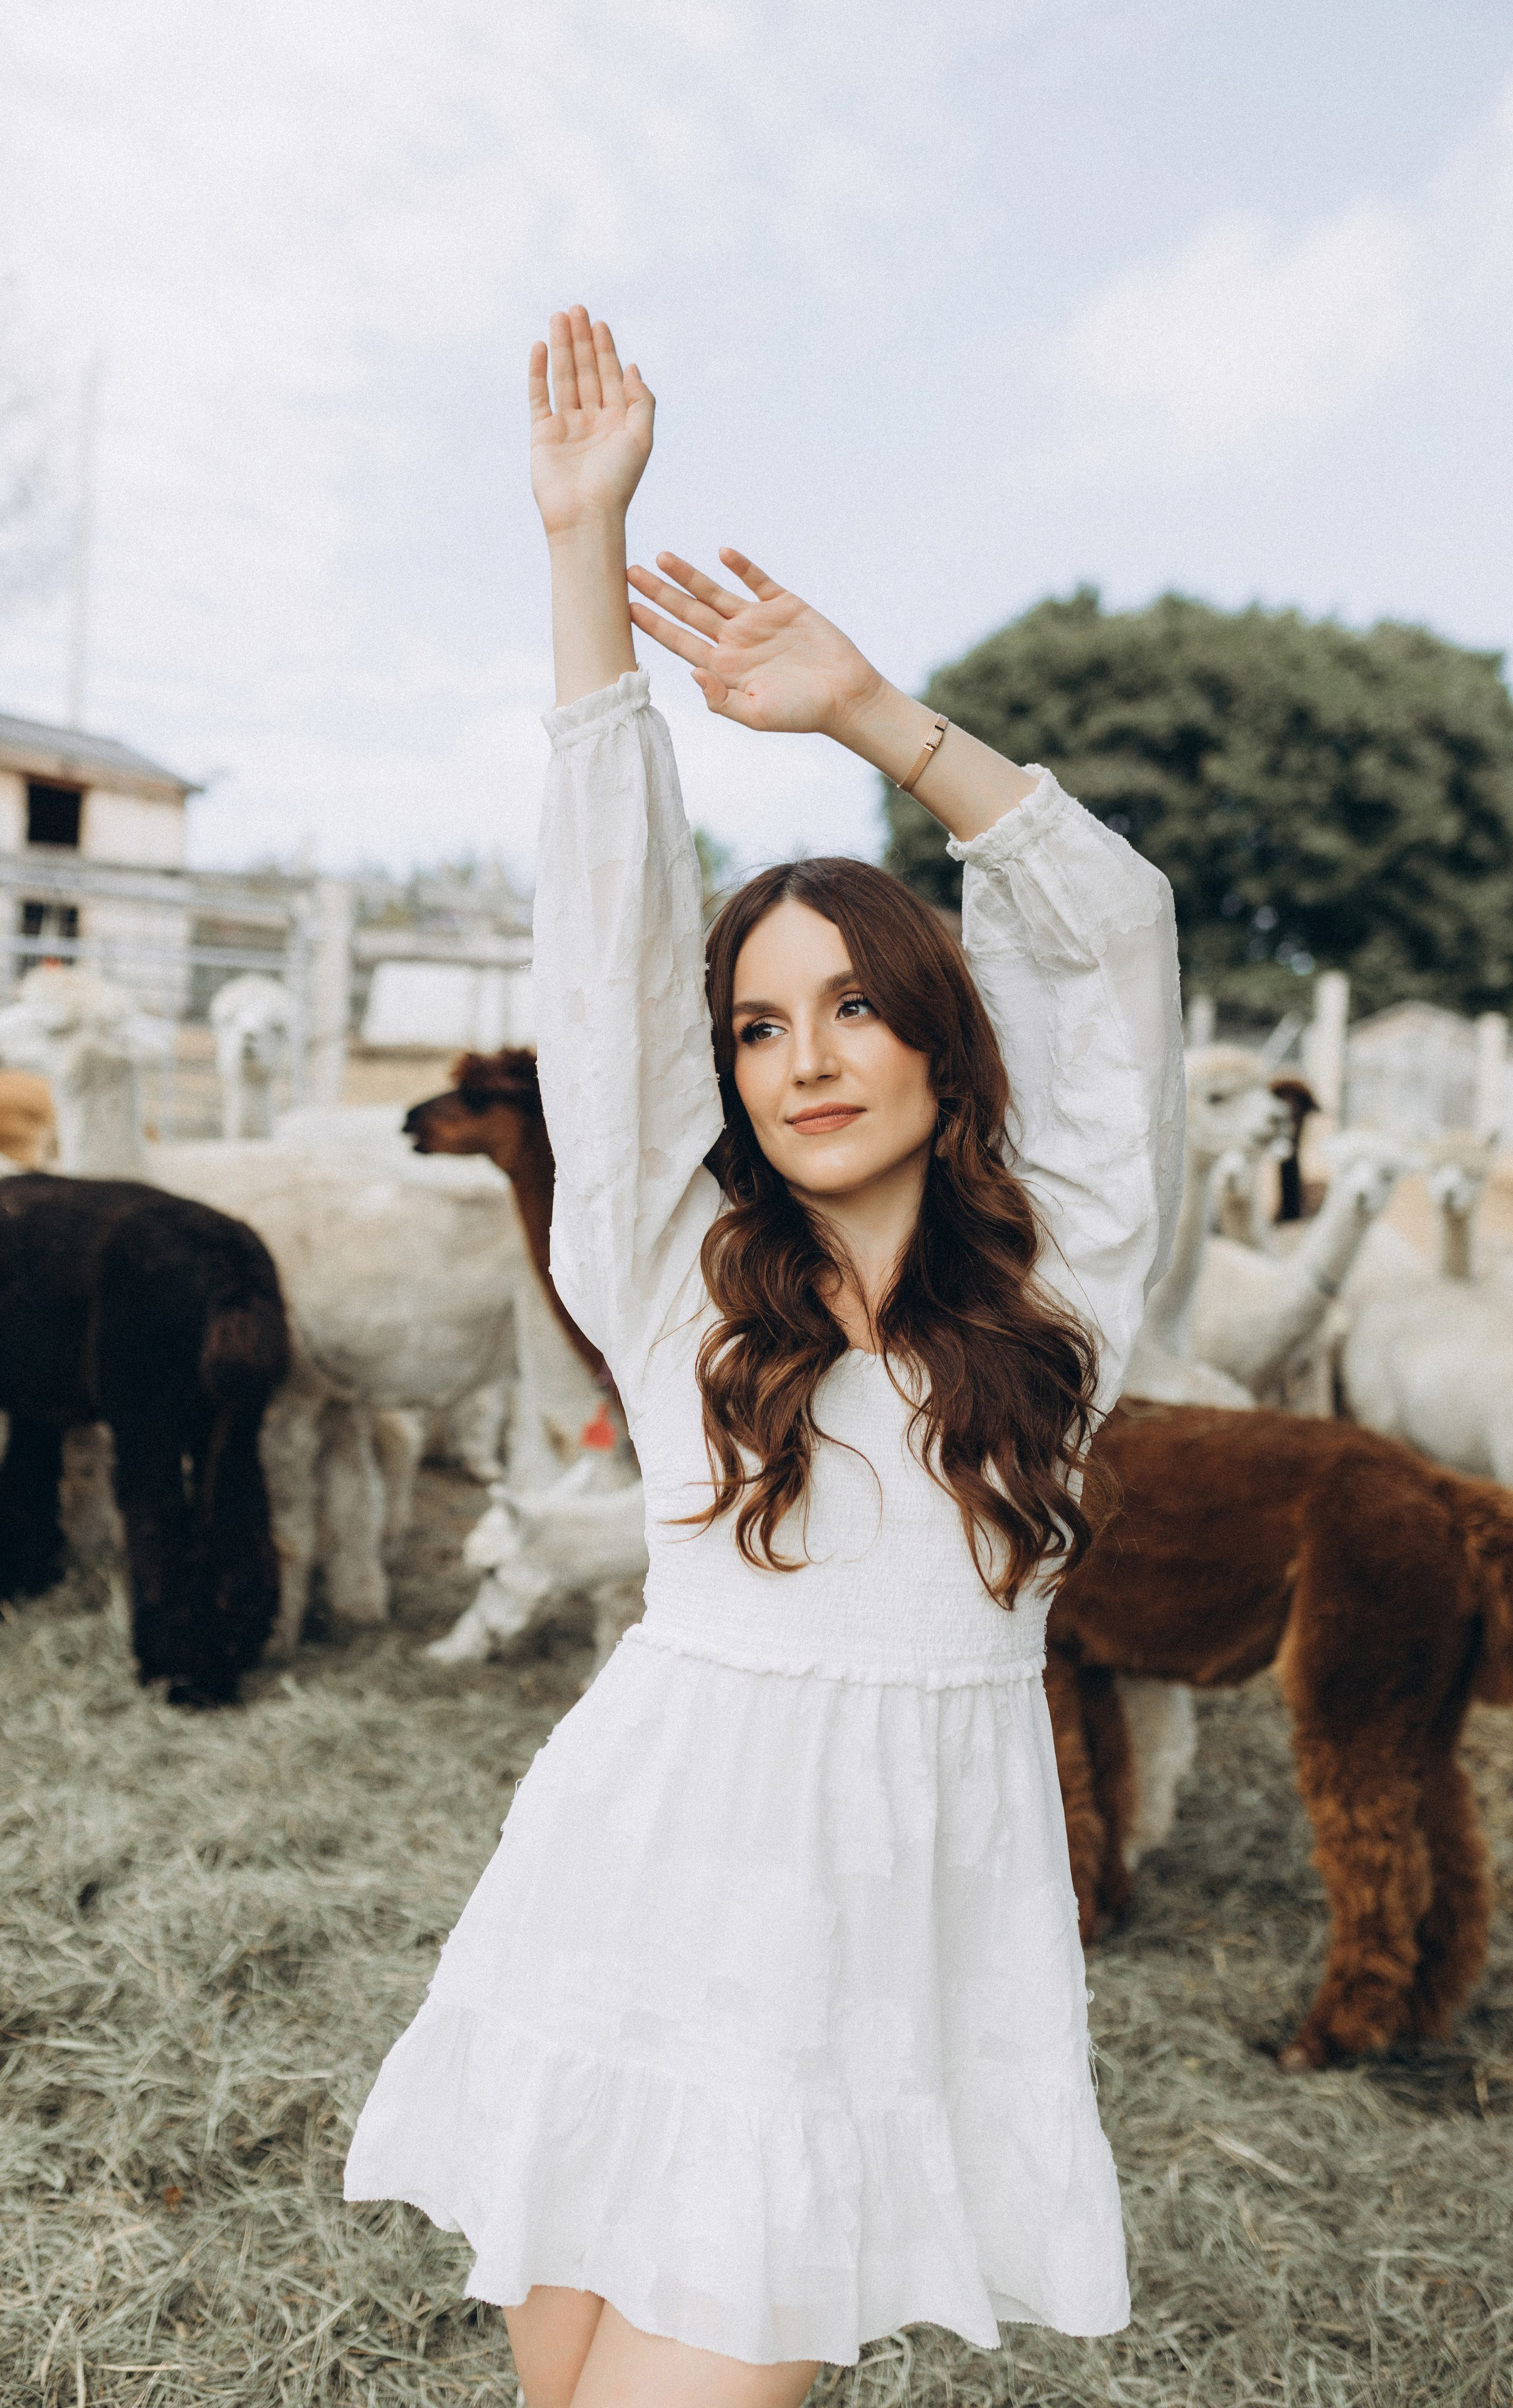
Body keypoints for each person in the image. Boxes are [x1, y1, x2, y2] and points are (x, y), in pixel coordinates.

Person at [345, 305, 1184, 2407]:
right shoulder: (684, 1270)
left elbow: (1111, 929)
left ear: (937, 1033)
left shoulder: (1066, 1284)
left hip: (865, 1948)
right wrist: (578, 554)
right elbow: (605, 945)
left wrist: (879, 719)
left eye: (855, 1006)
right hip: (637, 1867)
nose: (805, 1056)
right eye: (758, 1020)